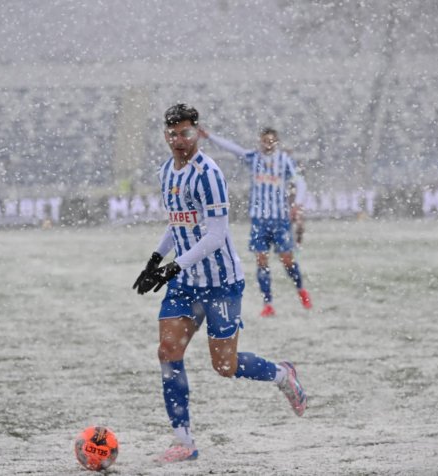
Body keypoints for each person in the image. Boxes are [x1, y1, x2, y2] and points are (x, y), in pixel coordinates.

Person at [133, 104, 307, 464]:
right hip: (185, 284)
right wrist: (154, 259)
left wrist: (172, 267)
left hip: (221, 284)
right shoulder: (167, 171)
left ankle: (281, 374)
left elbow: (216, 235)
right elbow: (177, 222)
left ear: (197, 132)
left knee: (224, 366)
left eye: (185, 133)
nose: (178, 140)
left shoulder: (209, 174)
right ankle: (183, 440)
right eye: (172, 134)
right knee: (168, 353)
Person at [198, 126, 312, 317]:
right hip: (259, 220)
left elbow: (300, 182)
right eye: (264, 140)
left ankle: (301, 290)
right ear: (260, 141)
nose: (267, 144)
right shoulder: (253, 158)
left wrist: (297, 204)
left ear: (276, 142)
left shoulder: (284, 160)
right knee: (261, 261)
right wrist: (209, 136)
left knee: (287, 260)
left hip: (280, 219)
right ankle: (268, 303)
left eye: (271, 141)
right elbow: (232, 148)